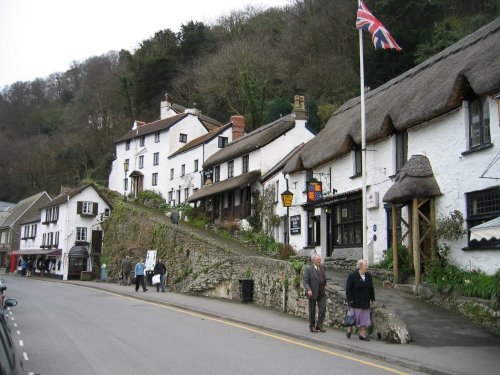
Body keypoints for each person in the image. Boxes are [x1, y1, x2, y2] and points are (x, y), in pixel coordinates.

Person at [345, 259, 375, 341]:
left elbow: (371, 288)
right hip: (355, 301)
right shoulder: (352, 275)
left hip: (365, 300)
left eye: (367, 265)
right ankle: (349, 327)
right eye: (365, 265)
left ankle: (362, 334)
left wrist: (372, 298)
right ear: (360, 266)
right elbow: (348, 289)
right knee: (354, 317)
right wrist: (350, 299)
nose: (367, 267)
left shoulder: (368, 275)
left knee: (365, 318)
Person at [303, 253, 327, 333]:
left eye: (320, 259)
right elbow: (305, 281)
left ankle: (319, 325)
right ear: (313, 261)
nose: (319, 261)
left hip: (321, 292)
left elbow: (323, 278)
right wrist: (308, 289)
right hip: (312, 292)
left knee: (323, 309)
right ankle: (312, 326)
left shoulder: (322, 267)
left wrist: (325, 285)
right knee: (312, 310)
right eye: (318, 259)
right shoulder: (308, 269)